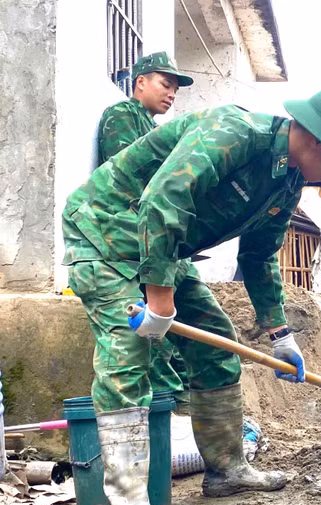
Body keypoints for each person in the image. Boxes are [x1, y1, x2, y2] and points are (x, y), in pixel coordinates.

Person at [63, 89, 321, 505]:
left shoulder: (289, 179)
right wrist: (161, 302)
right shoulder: (233, 132)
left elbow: (260, 254)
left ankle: (227, 469)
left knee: (216, 344)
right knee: (129, 352)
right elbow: (163, 201)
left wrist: (280, 333)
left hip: (165, 249)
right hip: (107, 233)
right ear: (315, 140)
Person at [97, 51, 195, 413]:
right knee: (153, 333)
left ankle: (186, 410)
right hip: (129, 238)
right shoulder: (121, 116)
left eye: (175, 89)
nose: (171, 94)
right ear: (140, 82)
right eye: (165, 84)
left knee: (178, 324)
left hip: (158, 238)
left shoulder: (153, 129)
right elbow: (130, 177)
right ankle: (169, 412)